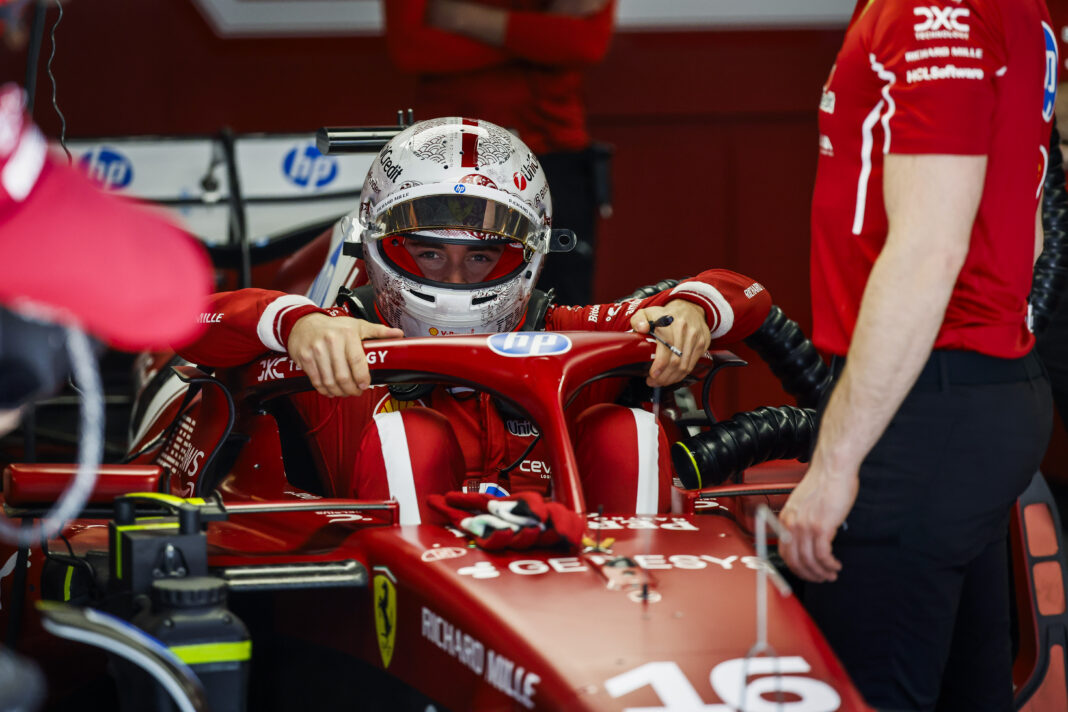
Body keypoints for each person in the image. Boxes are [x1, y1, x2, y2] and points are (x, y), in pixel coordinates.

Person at [178, 117, 772, 523]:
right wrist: (295, 323)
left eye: (481, 255)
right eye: (430, 252)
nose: (455, 278)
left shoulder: (565, 328)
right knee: (412, 442)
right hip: (386, 620)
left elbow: (749, 295)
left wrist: (693, 307)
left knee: (627, 434)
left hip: (589, 601)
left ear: (529, 254)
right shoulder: (331, 344)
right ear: (378, 244)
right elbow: (186, 323)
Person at [778, 1, 1055, 710]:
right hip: (977, 391)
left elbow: (930, 252)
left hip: (931, 399)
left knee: (868, 694)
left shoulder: (936, 11)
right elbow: (1026, 235)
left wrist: (836, 465)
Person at [383, 0, 615, 306]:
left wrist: (464, 17)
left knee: (559, 308)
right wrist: (538, 36)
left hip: (554, 150)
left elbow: (583, 44)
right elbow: (412, 48)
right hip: (447, 154)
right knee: (441, 302)